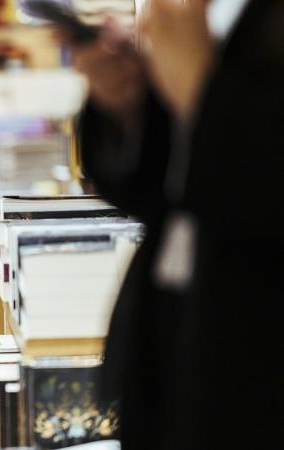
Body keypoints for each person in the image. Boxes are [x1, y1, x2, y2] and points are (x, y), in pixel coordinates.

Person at [62, 0, 284, 448]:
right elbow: (168, 188)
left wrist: (200, 89)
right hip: (177, 337)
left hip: (255, 356)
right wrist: (129, 106)